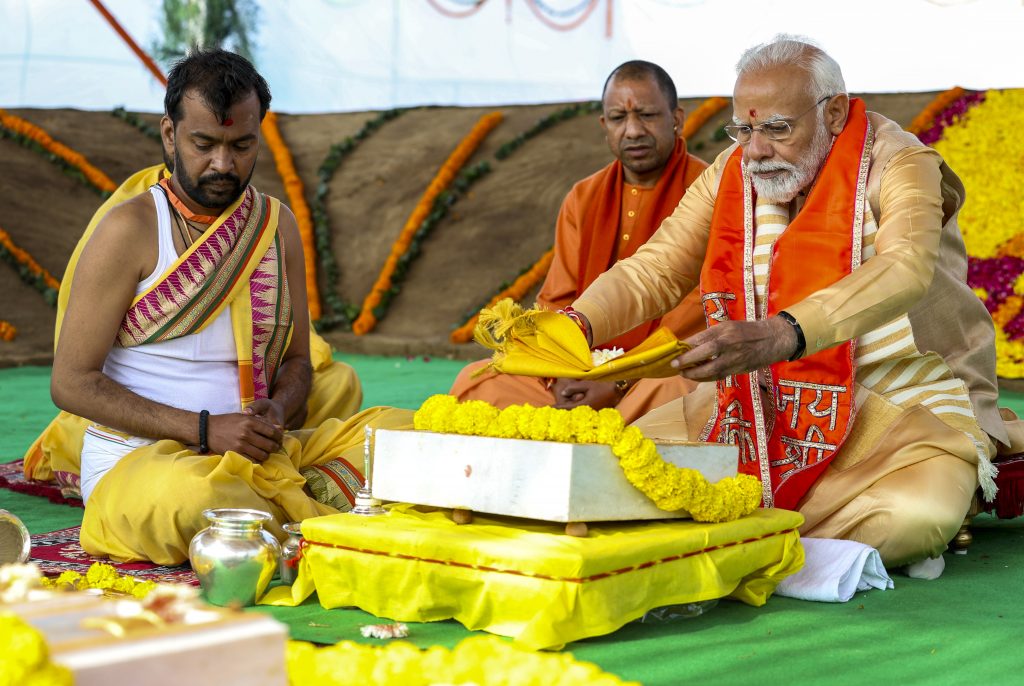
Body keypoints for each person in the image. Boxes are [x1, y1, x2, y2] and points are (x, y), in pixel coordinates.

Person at [569, 35, 1010, 577]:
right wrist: (575, 324)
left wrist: (782, 333)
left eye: (777, 129)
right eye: (744, 129)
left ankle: (740, 538)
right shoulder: (733, 170)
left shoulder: (900, 163)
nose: (755, 149)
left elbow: (904, 269)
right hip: (759, 398)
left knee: (915, 517)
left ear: (834, 113)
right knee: (620, 473)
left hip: (899, 392)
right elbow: (658, 267)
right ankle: (803, 548)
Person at [48, 48, 409, 565]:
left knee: (411, 435)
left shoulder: (275, 225)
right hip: (144, 464)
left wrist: (278, 410)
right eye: (204, 144)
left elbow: (298, 363)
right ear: (170, 135)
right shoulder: (129, 229)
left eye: (241, 145)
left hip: (258, 454)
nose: (223, 163)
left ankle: (278, 514)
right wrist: (203, 430)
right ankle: (313, 510)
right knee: (197, 499)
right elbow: (71, 383)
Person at [450, 61, 707, 423]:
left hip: (657, 366)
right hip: (580, 361)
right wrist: (562, 372)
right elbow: (557, 298)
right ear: (605, 126)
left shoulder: (708, 189)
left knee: (678, 391)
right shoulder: (583, 197)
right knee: (479, 382)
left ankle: (594, 433)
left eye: (647, 115)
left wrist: (619, 378)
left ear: (676, 118)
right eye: (619, 118)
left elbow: (698, 310)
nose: (633, 131)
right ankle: (576, 425)